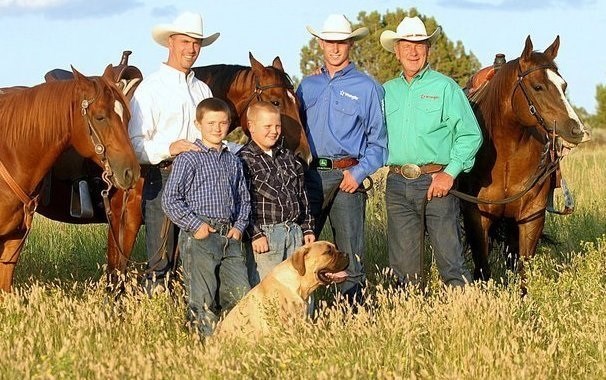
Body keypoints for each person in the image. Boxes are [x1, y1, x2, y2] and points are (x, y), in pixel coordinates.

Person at [380, 16, 482, 288]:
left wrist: (449, 173)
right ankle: (407, 321)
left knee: (451, 261)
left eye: (420, 45)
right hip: (397, 183)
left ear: (428, 49)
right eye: (407, 45)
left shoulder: (445, 87)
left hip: (436, 182)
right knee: (402, 267)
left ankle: (466, 319)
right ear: (397, 51)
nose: (413, 51)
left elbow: (471, 135)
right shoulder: (386, 92)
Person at [296, 14, 387, 304]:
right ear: (320, 43)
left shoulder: (368, 88)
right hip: (310, 176)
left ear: (350, 44)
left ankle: (352, 317)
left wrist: (358, 174)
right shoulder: (306, 87)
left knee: (349, 256)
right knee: (302, 250)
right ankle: (297, 314)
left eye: (341, 43)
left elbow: (379, 143)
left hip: (347, 177)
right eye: (329, 42)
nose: (334, 48)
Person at [128, 11, 220, 290]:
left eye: (196, 43)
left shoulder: (203, 90)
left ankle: (193, 316)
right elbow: (135, 144)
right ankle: (156, 320)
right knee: (162, 259)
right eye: (185, 42)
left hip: (202, 181)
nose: (192, 49)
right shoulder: (150, 90)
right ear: (171, 42)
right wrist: (170, 147)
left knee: (199, 255)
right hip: (165, 177)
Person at [161, 97, 251, 336]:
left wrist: (240, 226)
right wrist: (195, 225)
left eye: (222, 123)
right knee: (203, 297)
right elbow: (170, 199)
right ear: (198, 124)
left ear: (229, 124)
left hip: (229, 235)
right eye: (210, 123)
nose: (217, 128)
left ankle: (233, 342)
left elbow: (244, 198)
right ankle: (204, 350)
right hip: (201, 235)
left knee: (240, 295)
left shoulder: (233, 160)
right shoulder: (189, 158)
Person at [237, 101, 316, 286]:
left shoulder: (288, 156)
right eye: (268, 126)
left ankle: (304, 317)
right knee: (269, 289)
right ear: (251, 126)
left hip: (294, 232)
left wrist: (308, 227)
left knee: (300, 285)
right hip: (267, 236)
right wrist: (254, 233)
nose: (274, 131)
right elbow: (242, 201)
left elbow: (301, 194)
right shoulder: (243, 159)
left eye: (277, 126)